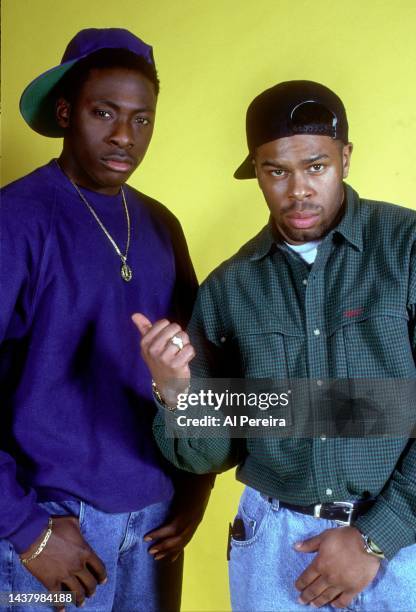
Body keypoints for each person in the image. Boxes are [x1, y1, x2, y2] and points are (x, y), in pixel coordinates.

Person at [133, 80, 416, 611]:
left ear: (346, 159)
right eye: (276, 171)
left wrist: (376, 536)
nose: (298, 190)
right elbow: (213, 455)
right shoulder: (230, 288)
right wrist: (175, 391)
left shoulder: (406, 248)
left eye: (316, 166)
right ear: (258, 174)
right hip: (272, 545)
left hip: (403, 542)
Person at [0, 28, 213, 612]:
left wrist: (197, 488)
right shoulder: (14, 220)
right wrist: (25, 531)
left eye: (142, 119)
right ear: (66, 112)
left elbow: (198, 370)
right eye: (104, 113)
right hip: (51, 525)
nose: (125, 136)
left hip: (153, 528)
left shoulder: (160, 224)